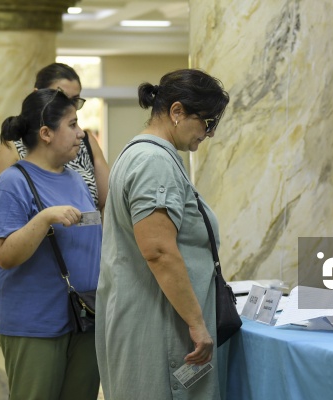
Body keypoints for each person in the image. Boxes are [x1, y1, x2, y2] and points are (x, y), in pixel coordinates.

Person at [95, 69, 229, 399]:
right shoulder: (154, 161)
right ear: (177, 112)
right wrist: (197, 324)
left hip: (149, 315)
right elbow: (158, 250)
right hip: (158, 325)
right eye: (207, 123)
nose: (209, 134)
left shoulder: (140, 153)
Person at [0, 89, 102, 399]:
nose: (81, 134)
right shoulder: (12, 183)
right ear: (46, 133)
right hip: (36, 323)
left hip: (85, 316)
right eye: (73, 125)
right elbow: (4, 255)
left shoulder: (75, 179)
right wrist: (44, 218)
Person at [0, 62, 109, 211]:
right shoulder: (12, 148)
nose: (68, 106)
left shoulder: (85, 142)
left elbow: (107, 202)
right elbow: (2, 217)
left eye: (75, 99)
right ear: (38, 95)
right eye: (61, 97)